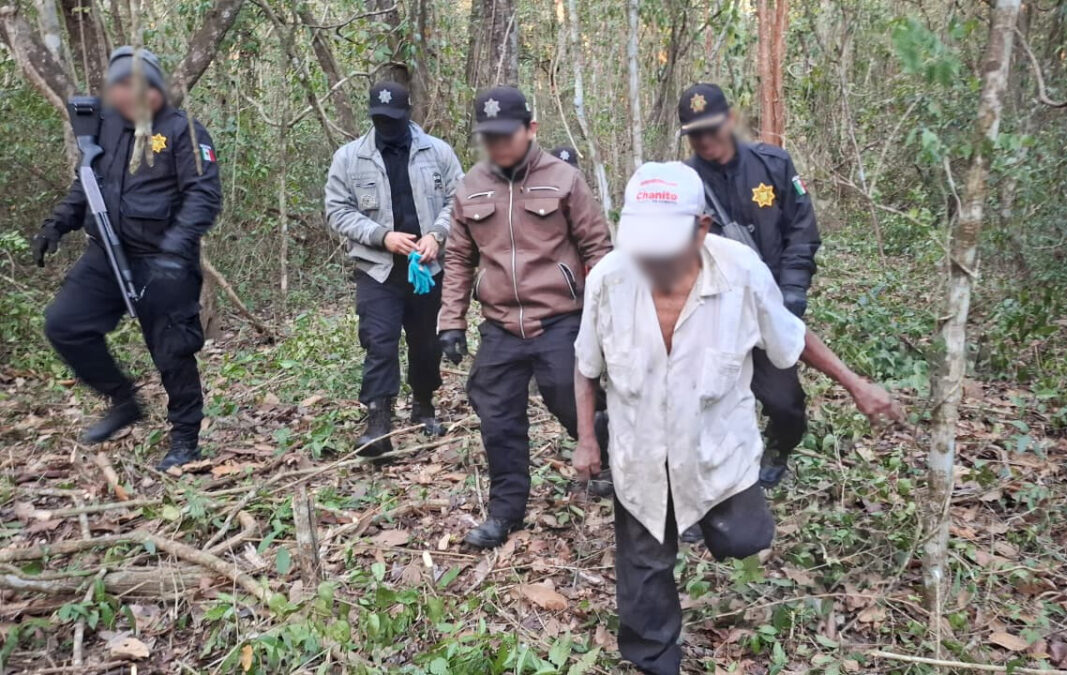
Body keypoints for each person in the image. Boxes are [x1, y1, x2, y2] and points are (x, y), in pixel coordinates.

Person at [572, 162, 902, 675]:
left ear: (701, 228)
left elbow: (791, 337)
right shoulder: (609, 280)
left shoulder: (740, 273)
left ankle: (705, 515)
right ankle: (655, 658)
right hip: (640, 453)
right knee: (644, 564)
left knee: (745, 537)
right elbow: (586, 363)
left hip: (717, 451)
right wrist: (587, 443)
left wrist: (856, 384)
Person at [439, 86, 613, 548]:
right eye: (488, 137)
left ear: (531, 130)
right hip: (500, 326)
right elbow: (458, 257)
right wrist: (450, 321)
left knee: (572, 403)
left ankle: (608, 455)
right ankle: (506, 512)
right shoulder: (471, 186)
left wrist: (601, 317)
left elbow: (598, 248)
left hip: (559, 319)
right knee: (497, 419)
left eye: (507, 135)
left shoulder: (564, 179)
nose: (498, 146)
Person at [33, 47, 221, 471]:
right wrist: (56, 225)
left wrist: (176, 248)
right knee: (64, 325)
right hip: (104, 254)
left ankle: (185, 439)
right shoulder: (105, 127)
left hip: (163, 259)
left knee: (172, 349)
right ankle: (122, 401)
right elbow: (87, 183)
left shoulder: (183, 131)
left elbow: (204, 196)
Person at [680, 82, 821, 489]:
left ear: (730, 121)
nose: (705, 140)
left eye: (711, 128)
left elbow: (802, 230)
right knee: (706, 405)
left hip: (769, 306)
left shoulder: (773, 165)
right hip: (713, 313)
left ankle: (779, 446)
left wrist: (793, 287)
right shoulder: (684, 182)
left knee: (785, 403)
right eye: (695, 133)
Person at [325, 82, 464, 458]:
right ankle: (378, 422)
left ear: (408, 114)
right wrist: (381, 236)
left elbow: (459, 199)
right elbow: (337, 209)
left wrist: (437, 234)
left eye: (394, 119)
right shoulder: (350, 158)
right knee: (379, 340)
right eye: (380, 119)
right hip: (378, 269)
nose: (387, 125)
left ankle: (423, 404)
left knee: (426, 344)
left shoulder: (437, 153)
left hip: (427, 267)